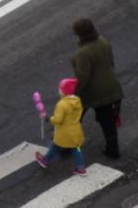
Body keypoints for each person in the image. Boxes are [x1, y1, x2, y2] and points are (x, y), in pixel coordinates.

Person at [70, 18, 124, 159]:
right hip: (111, 87)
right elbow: (111, 63)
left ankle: (65, 146)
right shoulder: (104, 42)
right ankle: (113, 150)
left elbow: (82, 78)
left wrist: (73, 95)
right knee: (107, 121)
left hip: (92, 93)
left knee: (73, 117)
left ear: (78, 34)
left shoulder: (82, 54)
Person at [34, 78, 87, 175]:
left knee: (55, 145)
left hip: (64, 132)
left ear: (64, 92)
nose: (58, 90)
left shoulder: (61, 104)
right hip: (75, 130)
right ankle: (81, 168)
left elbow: (58, 120)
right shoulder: (77, 100)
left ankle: (45, 160)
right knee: (77, 148)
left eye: (60, 89)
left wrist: (47, 118)